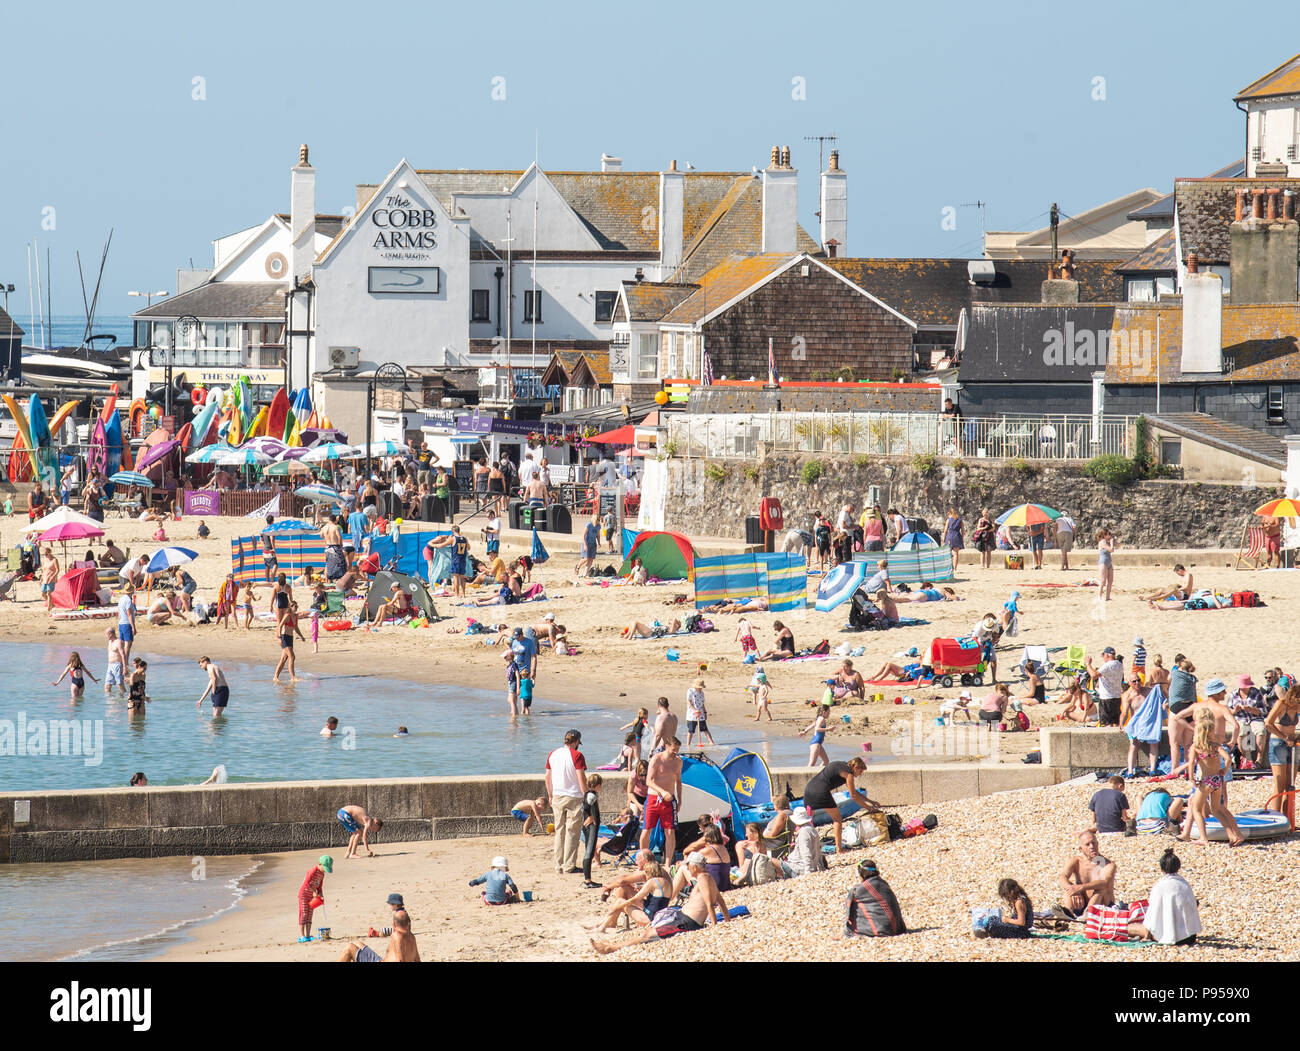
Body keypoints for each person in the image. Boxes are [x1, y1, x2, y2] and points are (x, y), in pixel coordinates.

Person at [589, 852, 727, 954]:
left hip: (686, 922)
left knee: (647, 936)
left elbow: (710, 903)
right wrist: (727, 920)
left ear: (695, 866)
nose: (688, 868)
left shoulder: (703, 878)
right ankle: (610, 944)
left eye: (689, 865)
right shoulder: (708, 878)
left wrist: (715, 928)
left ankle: (610, 948)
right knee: (649, 932)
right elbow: (720, 900)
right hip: (680, 917)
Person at [1180, 708, 1244, 847]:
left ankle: (1203, 838)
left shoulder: (1196, 747)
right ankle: (1233, 835)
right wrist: (1224, 770)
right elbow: (1228, 758)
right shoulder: (1216, 746)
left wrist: (1192, 778)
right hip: (1217, 781)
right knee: (1217, 809)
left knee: (1196, 809)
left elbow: (1191, 764)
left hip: (1206, 781)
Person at [802, 756, 878, 852]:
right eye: (860, 771)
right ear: (855, 767)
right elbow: (853, 796)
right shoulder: (849, 774)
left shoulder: (842, 765)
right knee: (837, 819)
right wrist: (869, 808)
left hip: (809, 790)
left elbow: (854, 791)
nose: (860, 774)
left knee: (806, 821)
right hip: (821, 792)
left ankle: (803, 846)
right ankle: (839, 849)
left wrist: (870, 802)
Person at [1126, 848, 1201, 946]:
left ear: (1161, 868)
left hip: (1169, 936)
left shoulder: (1160, 887)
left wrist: (1147, 936)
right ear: (1179, 867)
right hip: (1190, 937)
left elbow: (1152, 915)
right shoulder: (1185, 885)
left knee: (1130, 928)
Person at [546, 729, 589, 875]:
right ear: (576, 741)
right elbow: (580, 777)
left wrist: (550, 795)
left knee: (559, 831)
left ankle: (558, 865)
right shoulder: (577, 755)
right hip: (574, 797)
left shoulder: (553, 754)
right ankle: (569, 865)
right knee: (572, 832)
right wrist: (587, 795)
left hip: (557, 796)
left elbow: (547, 777)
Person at [591, 858, 672, 932]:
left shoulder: (652, 882)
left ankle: (602, 927)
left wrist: (617, 907)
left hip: (649, 919)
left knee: (620, 902)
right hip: (657, 916)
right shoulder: (663, 881)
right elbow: (657, 898)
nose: (645, 877)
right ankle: (604, 924)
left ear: (648, 872)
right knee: (623, 894)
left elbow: (635, 899)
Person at [638, 736, 682, 863]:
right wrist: (662, 792)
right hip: (654, 798)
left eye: (677, 750)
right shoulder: (657, 759)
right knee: (647, 830)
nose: (675, 752)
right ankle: (643, 860)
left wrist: (679, 800)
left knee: (670, 831)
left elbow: (678, 782)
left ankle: (667, 862)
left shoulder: (678, 761)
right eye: (673, 749)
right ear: (667, 746)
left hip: (669, 800)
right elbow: (648, 781)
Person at [841, 859, 907, 938]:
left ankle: (849, 930)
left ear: (862, 874)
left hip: (883, 930)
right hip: (899, 928)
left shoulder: (859, 889)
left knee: (853, 899)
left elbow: (849, 910)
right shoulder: (883, 883)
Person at [1056, 830, 1117, 917]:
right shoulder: (1076, 861)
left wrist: (1080, 887)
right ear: (1081, 849)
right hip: (1081, 904)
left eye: (1094, 843)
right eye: (1087, 844)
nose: (1092, 846)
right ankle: (1068, 914)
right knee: (1069, 889)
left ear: (1098, 844)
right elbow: (1062, 877)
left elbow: (1105, 882)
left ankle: (1088, 914)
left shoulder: (1108, 864)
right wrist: (1072, 889)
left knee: (1101, 889)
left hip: (1102, 904)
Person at [1264, 681, 1300, 807]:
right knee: (1280, 784)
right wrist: (1284, 737)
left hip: (1293, 743)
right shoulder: (1281, 704)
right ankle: (1276, 817)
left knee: (1290, 784)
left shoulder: (1297, 706)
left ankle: (1287, 818)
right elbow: (1268, 723)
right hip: (1278, 742)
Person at [1122, 673, 1165, 776]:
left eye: (1138, 680)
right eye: (1134, 681)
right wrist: (1121, 725)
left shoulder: (1149, 691)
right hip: (1136, 724)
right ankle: (1130, 771)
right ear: (1129, 683)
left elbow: (1160, 697)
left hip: (1149, 723)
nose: (1137, 683)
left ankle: (1152, 770)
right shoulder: (1128, 696)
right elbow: (1124, 712)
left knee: (1154, 743)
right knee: (1133, 745)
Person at [337, 908, 420, 961]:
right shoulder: (412, 937)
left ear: (394, 924)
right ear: (408, 923)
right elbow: (417, 960)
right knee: (358, 944)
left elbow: (400, 960)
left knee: (349, 948)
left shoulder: (397, 936)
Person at [1229, 674, 1267, 767]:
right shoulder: (1233, 694)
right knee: (1241, 732)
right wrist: (1235, 710)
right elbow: (1228, 711)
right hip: (1240, 718)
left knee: (1261, 731)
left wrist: (1251, 709)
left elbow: (1263, 711)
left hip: (1255, 718)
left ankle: (1259, 759)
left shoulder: (1256, 693)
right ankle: (1243, 759)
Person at [428, 526, 470, 599]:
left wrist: (432, 544)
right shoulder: (464, 539)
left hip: (456, 560)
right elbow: (469, 548)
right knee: (462, 577)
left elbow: (441, 545)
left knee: (456, 576)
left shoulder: (453, 539)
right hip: (463, 559)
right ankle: (463, 594)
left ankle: (457, 594)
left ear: (453, 531)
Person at [1087, 647, 1125, 726]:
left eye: (1103, 655)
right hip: (1117, 697)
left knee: (1106, 725)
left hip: (1106, 698)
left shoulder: (1108, 665)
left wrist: (1088, 664)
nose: (1103, 657)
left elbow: (1093, 675)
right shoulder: (1119, 664)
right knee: (1116, 723)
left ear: (1107, 655)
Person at [786, 806, 827, 877]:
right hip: (806, 865)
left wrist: (808, 871)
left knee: (773, 861)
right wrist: (821, 866)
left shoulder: (803, 833)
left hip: (798, 867)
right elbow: (818, 850)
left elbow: (806, 853)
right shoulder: (811, 829)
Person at [298, 855, 332, 942]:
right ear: (319, 864)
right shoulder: (313, 871)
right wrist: (314, 891)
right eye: (324, 868)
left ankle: (308, 935)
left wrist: (320, 894)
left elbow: (319, 886)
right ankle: (301, 936)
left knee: (309, 915)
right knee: (304, 913)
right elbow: (307, 883)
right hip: (304, 895)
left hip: (312, 896)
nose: (325, 870)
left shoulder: (322, 874)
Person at [274, 601, 307, 684]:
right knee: (292, 657)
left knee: (284, 659)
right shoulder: (287, 615)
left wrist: (301, 636)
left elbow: (296, 628)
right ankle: (293, 677)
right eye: (294, 606)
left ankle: (275, 677)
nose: (296, 608)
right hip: (284, 637)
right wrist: (279, 638)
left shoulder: (295, 616)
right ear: (290, 607)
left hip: (290, 638)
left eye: (297, 606)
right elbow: (280, 626)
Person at [581, 773, 604, 887]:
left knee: (588, 851)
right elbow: (585, 806)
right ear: (597, 785)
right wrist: (590, 816)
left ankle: (588, 879)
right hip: (591, 827)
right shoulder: (591, 795)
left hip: (589, 826)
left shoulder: (589, 794)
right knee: (589, 852)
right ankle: (587, 881)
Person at [684, 678, 715, 748]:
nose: (701, 689)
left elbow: (702, 703)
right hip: (691, 714)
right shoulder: (690, 691)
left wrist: (705, 712)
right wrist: (694, 710)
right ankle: (688, 744)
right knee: (691, 730)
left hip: (701, 714)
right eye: (700, 687)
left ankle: (711, 741)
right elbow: (689, 702)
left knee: (705, 728)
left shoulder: (702, 693)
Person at [102, 627, 126, 695]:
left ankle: (123, 699)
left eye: (106, 634)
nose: (106, 636)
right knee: (107, 686)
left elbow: (123, 655)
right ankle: (109, 703)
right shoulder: (110, 642)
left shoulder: (118, 642)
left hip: (117, 665)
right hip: (110, 665)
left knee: (120, 685)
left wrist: (124, 668)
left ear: (110, 634)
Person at [577, 513, 599, 579]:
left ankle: (585, 574)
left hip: (593, 544)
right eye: (597, 520)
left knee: (591, 559)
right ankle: (578, 566)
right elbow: (583, 535)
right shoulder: (588, 525)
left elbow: (598, 535)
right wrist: (585, 545)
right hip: (586, 543)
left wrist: (599, 542)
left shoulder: (598, 526)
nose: (598, 521)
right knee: (586, 558)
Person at [1096, 528, 1117, 601]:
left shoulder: (1108, 542)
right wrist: (1111, 543)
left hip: (1109, 562)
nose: (1109, 536)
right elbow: (1111, 550)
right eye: (1107, 534)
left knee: (1110, 581)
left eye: (1110, 534)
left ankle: (1108, 596)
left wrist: (1114, 542)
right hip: (1103, 562)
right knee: (1103, 581)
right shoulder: (1102, 542)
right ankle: (1099, 596)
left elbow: (1117, 546)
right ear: (1104, 535)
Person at [39, 547, 60, 613]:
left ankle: (49, 608)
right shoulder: (45, 560)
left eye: (46, 554)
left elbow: (57, 570)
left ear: (49, 553)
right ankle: (52, 604)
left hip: (51, 578)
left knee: (49, 593)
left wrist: (53, 577)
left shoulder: (54, 560)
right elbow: (44, 570)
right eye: (44, 554)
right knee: (43, 593)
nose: (45, 555)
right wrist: (41, 579)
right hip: (45, 578)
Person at [943, 508, 964, 572]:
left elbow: (945, 530)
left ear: (949, 513)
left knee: (948, 553)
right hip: (957, 536)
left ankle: (949, 567)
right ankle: (955, 568)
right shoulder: (960, 520)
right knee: (956, 553)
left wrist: (944, 538)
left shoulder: (948, 520)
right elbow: (963, 530)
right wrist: (962, 537)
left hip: (950, 536)